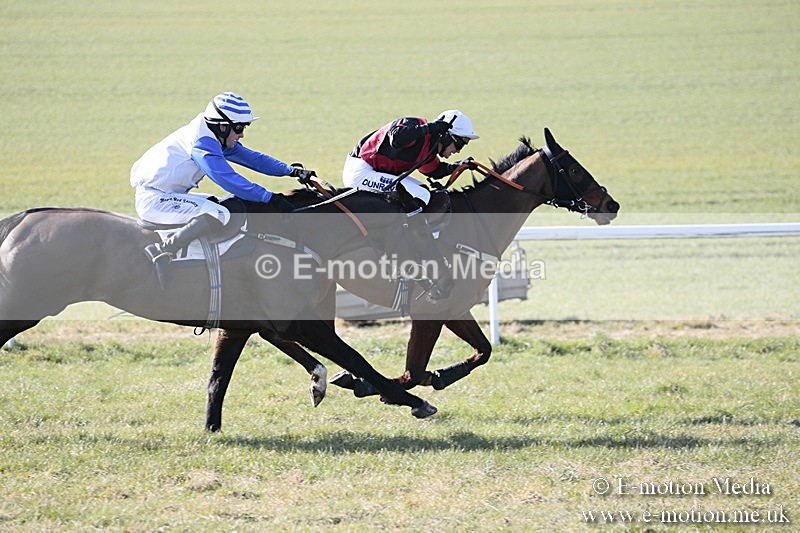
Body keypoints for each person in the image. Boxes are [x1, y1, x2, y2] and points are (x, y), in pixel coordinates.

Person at [130, 91, 315, 285]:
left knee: (222, 204)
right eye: (239, 128)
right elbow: (228, 179)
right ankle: (164, 251)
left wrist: (291, 171)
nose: (242, 133)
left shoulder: (213, 133)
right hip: (154, 201)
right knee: (219, 214)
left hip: (167, 194)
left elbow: (252, 158)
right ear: (223, 126)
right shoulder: (202, 143)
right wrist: (270, 198)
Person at [342, 110, 479, 299]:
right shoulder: (415, 126)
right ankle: (409, 247)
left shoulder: (428, 148)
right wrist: (433, 127)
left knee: (424, 191)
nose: (457, 150)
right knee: (420, 194)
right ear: (447, 135)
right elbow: (396, 138)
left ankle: (411, 243)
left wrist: (459, 166)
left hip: (373, 171)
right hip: (360, 171)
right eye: (459, 144)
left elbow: (435, 171)